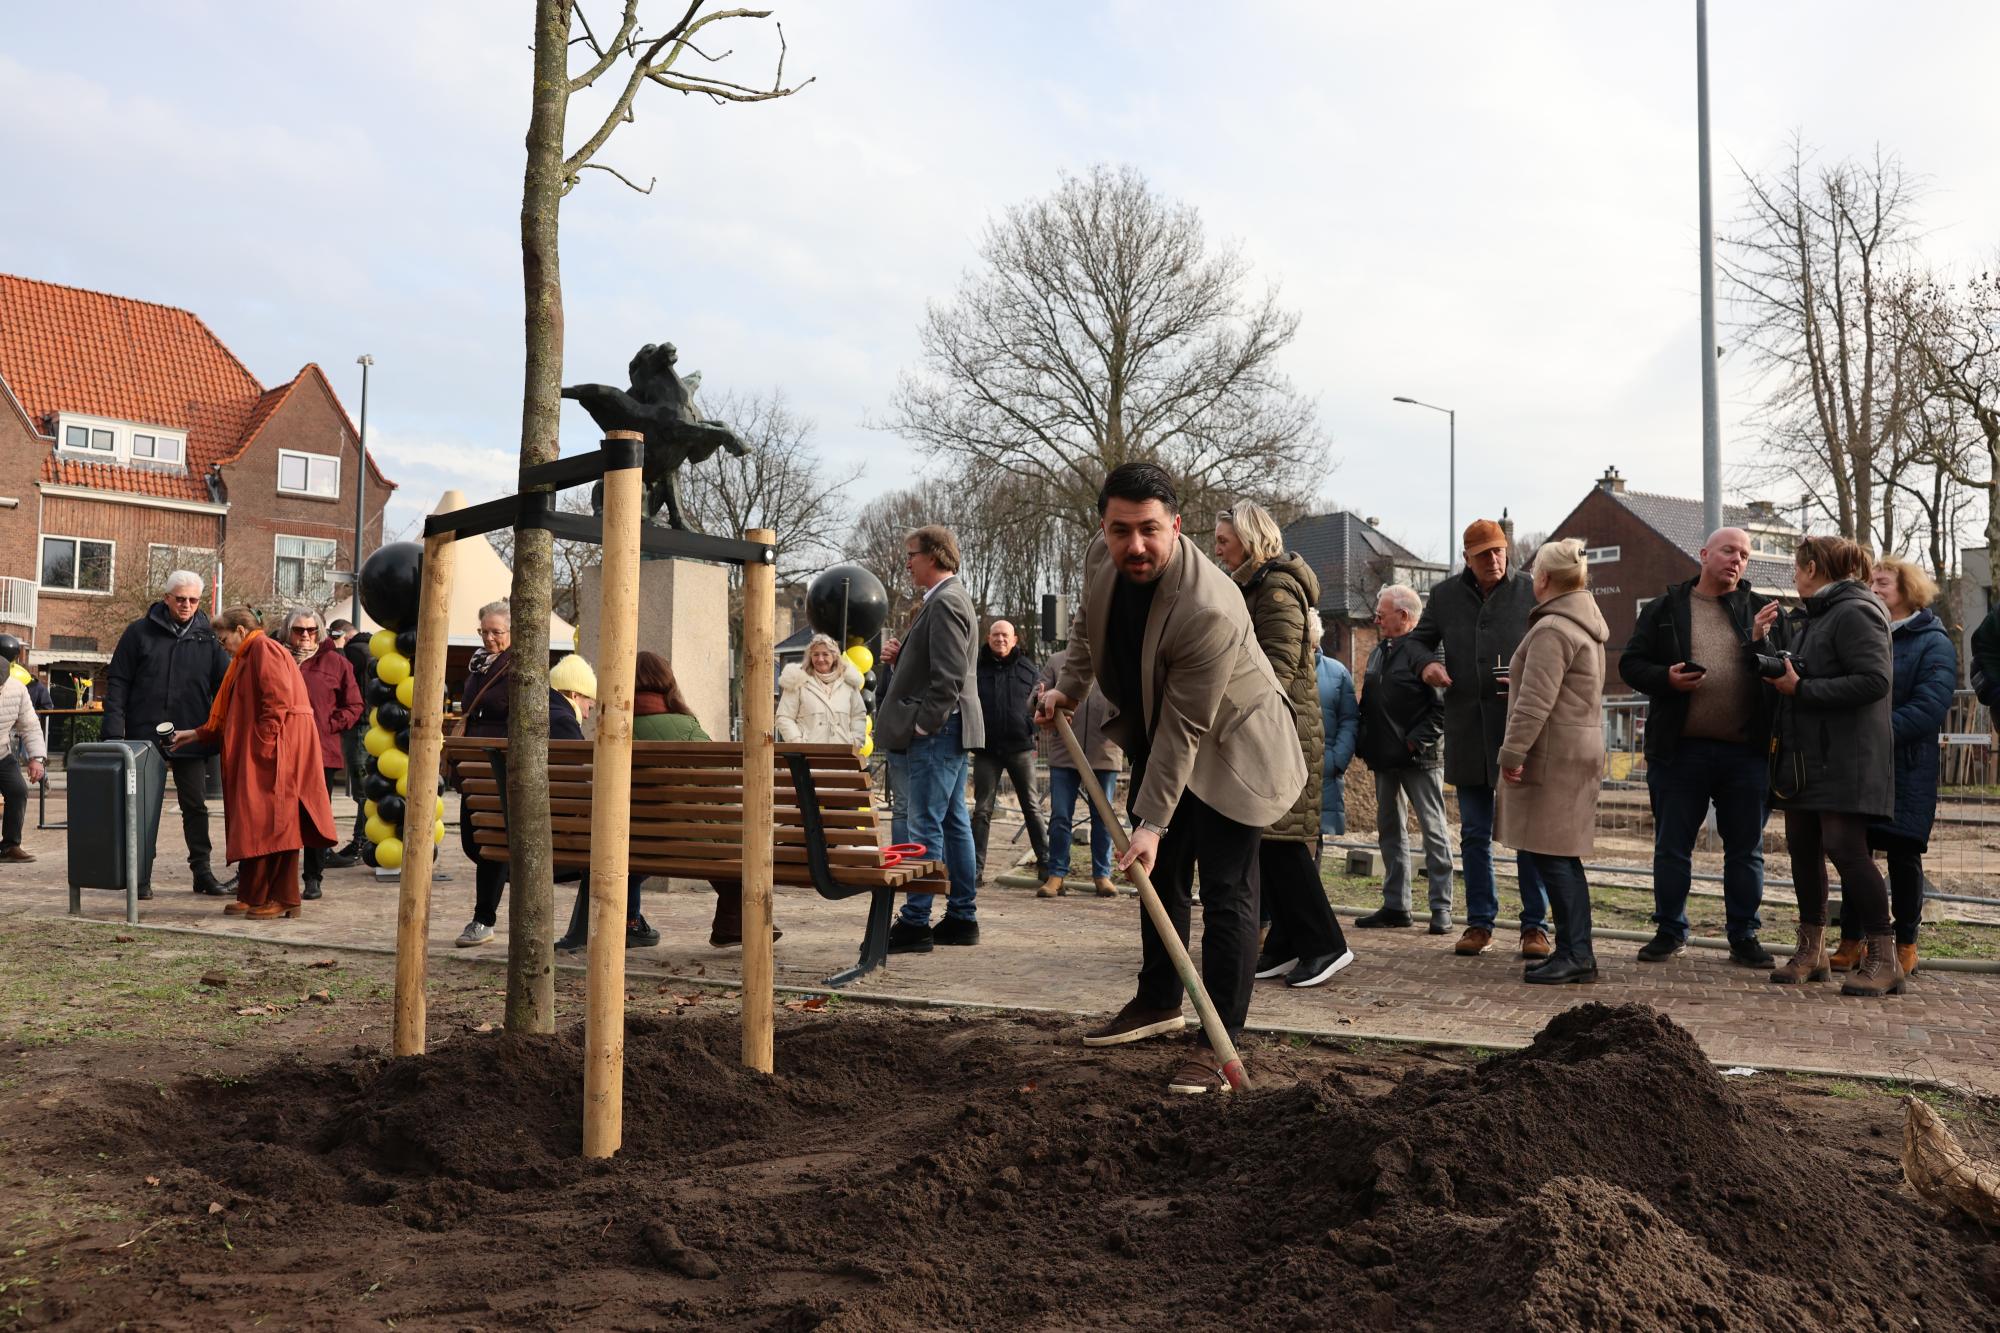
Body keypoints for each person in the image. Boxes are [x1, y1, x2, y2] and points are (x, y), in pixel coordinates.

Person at [1037, 463, 1306, 1095]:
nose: (1134, 545)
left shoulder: (1209, 605)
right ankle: (1159, 1000)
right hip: (1170, 735)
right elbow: (1086, 630)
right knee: (1156, 873)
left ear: (1176, 527)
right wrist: (1066, 691)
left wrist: (1151, 820)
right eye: (1120, 530)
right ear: (1103, 526)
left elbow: (1188, 725)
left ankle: (1221, 1039)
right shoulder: (1101, 559)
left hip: (1237, 747)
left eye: (1149, 531)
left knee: (1227, 889)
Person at [1616, 527, 1781, 969]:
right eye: (1729, 551)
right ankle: (1670, 930)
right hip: (1680, 750)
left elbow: (1780, 669)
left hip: (1745, 754)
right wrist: (1664, 679)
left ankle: (1744, 935)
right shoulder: (1664, 608)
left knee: (1745, 849)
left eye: (1745, 555)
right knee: (1672, 847)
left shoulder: (1758, 609)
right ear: (1704, 554)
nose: (1738, 560)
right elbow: (1630, 664)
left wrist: (1762, 640)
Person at [1215, 501, 1354, 989]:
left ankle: (1326, 944)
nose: (1217, 547)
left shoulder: (1275, 589)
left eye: (1224, 539)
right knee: (1271, 842)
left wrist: (1230, 707)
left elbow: (1273, 667)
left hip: (1285, 731)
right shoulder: (1255, 585)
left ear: (1250, 539)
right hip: (1277, 727)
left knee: (1284, 843)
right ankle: (1286, 944)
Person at [1765, 536, 1903, 997]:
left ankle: (1884, 958)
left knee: (1846, 848)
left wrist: (1801, 689)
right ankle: (1812, 951)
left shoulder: (1856, 610)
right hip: (1809, 756)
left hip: (1847, 757)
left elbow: (1874, 680)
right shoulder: (1818, 615)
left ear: (1811, 567)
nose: (1793, 575)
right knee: (1802, 845)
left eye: (1796, 566)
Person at [1409, 520, 1554, 958]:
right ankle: (1480, 924)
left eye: (1499, 551)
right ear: (1467, 558)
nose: (1494, 560)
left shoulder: (1532, 591)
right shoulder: (1446, 596)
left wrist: (1531, 678)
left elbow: (1556, 643)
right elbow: (1417, 642)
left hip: (1520, 729)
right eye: (1483, 554)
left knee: (1526, 833)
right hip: (1468, 730)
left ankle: (1535, 928)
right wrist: (1426, 667)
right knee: (1473, 833)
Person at [170, 607, 338, 920]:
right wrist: (196, 734)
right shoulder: (250, 654)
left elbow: (277, 701)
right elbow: (240, 708)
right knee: (257, 818)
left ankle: (284, 896)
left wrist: (264, 745)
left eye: (224, 639)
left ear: (241, 631)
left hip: (277, 747)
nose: (223, 646)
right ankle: (254, 893)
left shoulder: (263, 650)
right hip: (270, 744)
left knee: (277, 819)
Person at [1834, 557, 1955, 979]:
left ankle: (1905, 945)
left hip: (1906, 766)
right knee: (1854, 853)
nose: (1874, 587)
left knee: (1903, 857)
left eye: (1882, 582)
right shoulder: (1865, 631)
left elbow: (1929, 706)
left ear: (1908, 590)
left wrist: (1874, 735)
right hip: (1862, 765)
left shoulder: (1932, 641)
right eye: (1869, 582)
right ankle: (1852, 941)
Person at [1496, 541, 1610, 985]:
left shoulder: (1552, 629)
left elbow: (1534, 703)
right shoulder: (1586, 623)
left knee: (1553, 857)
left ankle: (1576, 953)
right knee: (1561, 856)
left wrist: (1512, 752)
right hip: (1577, 747)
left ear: (1542, 578)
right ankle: (1573, 950)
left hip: (1553, 754)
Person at [877, 525, 986, 952]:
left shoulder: (945, 602)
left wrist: (925, 724)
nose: (907, 562)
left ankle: (916, 922)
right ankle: (961, 917)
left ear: (935, 556)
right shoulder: (944, 600)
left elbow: (950, 675)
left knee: (924, 823)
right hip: (950, 728)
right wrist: (902, 658)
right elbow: (942, 666)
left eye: (911, 554)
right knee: (954, 822)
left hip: (938, 732)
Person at [452, 602, 587, 947]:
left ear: (513, 633)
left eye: (497, 631)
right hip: (473, 770)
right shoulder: (478, 667)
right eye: (484, 631)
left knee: (492, 844)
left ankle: (484, 918)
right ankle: (493, 906)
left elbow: (549, 707)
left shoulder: (522, 667)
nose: (489, 638)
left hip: (500, 770)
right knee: (475, 842)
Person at [101, 570, 231, 899]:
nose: (187, 605)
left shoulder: (210, 638)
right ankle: (140, 874)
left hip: (191, 733)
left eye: (193, 600)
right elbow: (118, 682)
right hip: (144, 736)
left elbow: (227, 685)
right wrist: (115, 733)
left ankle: (201, 871)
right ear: (167, 598)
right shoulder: (138, 633)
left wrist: (219, 729)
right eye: (180, 599)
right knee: (143, 807)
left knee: (195, 806)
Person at [1354, 585, 1455, 933]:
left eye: (1383, 613)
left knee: (1433, 829)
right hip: (1384, 757)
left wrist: (1413, 744)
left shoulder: (1429, 654)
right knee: (1389, 830)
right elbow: (1370, 699)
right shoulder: (1379, 652)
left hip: (1420, 760)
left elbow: (1441, 711)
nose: (1376, 618)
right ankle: (1396, 905)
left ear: (1405, 616)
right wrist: (1365, 740)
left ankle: (1442, 908)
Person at [1034, 646, 1122, 897]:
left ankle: (1102, 875)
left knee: (1104, 818)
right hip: (1064, 751)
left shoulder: (1115, 660)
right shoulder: (1056, 661)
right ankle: (1057, 874)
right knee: (1060, 815)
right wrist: (1039, 701)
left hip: (1104, 751)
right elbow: (1034, 699)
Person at [969, 619, 1052, 884]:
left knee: (1031, 807)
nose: (1000, 639)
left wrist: (1029, 728)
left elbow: (1040, 702)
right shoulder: (975, 668)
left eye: (1005, 635)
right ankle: (975, 870)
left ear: (1015, 639)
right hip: (986, 750)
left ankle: (1046, 865)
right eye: (995, 635)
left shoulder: (1029, 669)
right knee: (982, 810)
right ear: (988, 638)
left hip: (1020, 749)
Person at [291, 608, 364, 900]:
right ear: (289, 631)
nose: (306, 636)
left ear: (320, 632)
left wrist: (330, 725)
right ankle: (276, 876)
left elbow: (355, 704)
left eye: (311, 630)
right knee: (280, 816)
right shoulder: (278, 659)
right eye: (299, 630)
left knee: (315, 817)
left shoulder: (335, 662)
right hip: (282, 751)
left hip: (321, 751)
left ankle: (313, 876)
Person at [1311, 609, 1359, 843]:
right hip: (1284, 772)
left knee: (1314, 845)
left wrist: (1335, 760)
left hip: (1324, 772)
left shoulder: (1338, 672)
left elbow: (1349, 719)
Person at [0, 636, 47, 863]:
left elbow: (29, 725)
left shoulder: (17, 689)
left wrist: (37, 758)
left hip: (1, 752)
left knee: (18, 791)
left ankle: (10, 845)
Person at [329, 618, 373, 860]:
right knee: (365, 787)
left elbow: (339, 682)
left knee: (362, 789)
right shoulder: (372, 649)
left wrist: (336, 650)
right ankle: (363, 839)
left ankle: (360, 841)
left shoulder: (352, 652)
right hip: (369, 725)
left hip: (357, 725)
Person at [776, 634, 868, 746]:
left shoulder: (848, 683)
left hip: (843, 754)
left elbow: (858, 715)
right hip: (808, 755)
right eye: (816, 654)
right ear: (810, 657)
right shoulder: (798, 681)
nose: (820, 659)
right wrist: (798, 742)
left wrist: (855, 741)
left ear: (834, 656)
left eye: (825, 654)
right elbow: (784, 717)